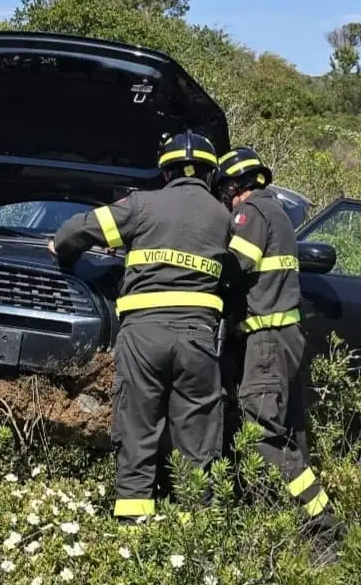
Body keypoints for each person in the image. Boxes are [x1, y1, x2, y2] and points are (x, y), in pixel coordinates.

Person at [49, 131, 232, 522]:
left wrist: (58, 248)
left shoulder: (142, 205)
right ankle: (193, 529)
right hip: (197, 339)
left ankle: (133, 526)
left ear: (165, 172)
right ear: (210, 173)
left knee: (137, 427)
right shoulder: (223, 217)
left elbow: (72, 234)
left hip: (143, 336)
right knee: (197, 435)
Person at [215, 146, 341, 539]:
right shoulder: (279, 213)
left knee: (260, 435)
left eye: (223, 189)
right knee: (287, 434)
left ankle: (322, 524)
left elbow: (234, 267)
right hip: (283, 339)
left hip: (266, 341)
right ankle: (297, 521)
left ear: (235, 185)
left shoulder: (251, 212)